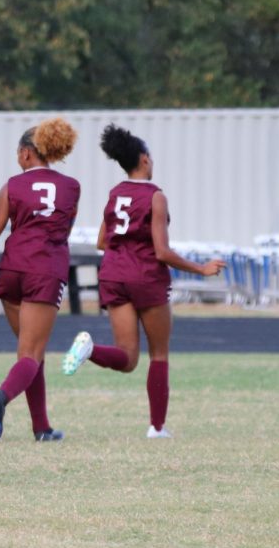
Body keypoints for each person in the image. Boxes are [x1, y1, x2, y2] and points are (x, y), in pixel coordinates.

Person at [62, 124, 225, 438]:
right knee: (158, 353)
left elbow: (101, 241)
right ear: (145, 160)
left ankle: (90, 350)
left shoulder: (115, 194)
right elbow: (162, 252)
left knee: (127, 359)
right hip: (146, 278)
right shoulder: (156, 196)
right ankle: (157, 427)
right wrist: (201, 269)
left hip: (112, 275)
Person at [0, 117, 80, 443]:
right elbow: (62, 229)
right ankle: (1, 396)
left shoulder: (12, 185)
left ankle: (42, 427)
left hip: (12, 268)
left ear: (26, 154)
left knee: (30, 352)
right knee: (31, 353)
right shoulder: (71, 186)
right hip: (45, 269)